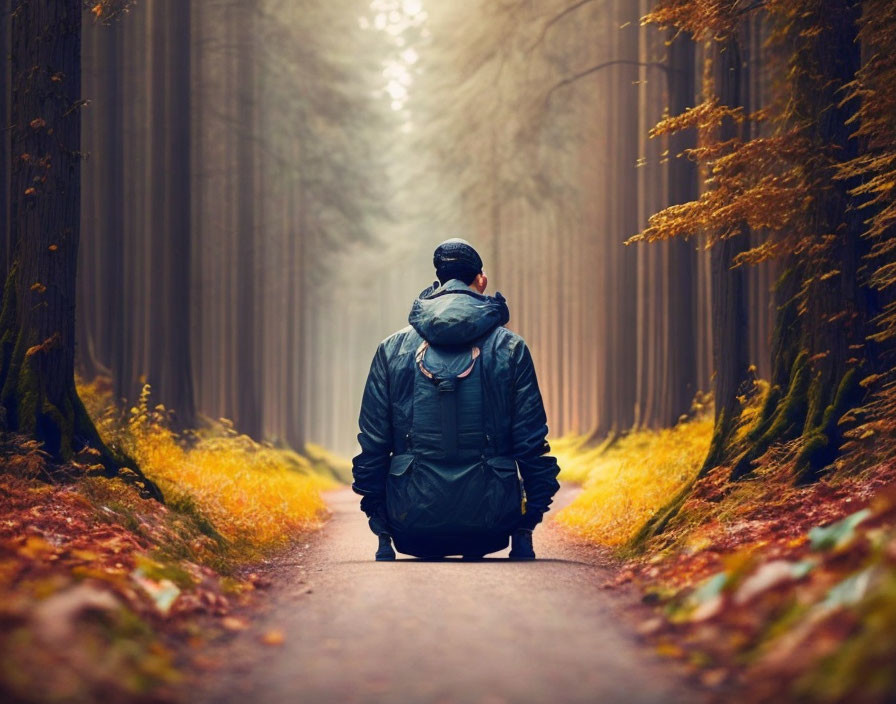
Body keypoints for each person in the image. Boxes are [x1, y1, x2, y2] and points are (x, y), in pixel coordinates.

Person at [351, 238, 561, 560]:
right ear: (481, 281)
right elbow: (531, 441)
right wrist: (526, 522)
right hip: (493, 523)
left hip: (409, 524)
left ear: (438, 284)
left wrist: (381, 522)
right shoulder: (511, 348)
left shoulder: (391, 350)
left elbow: (374, 443)